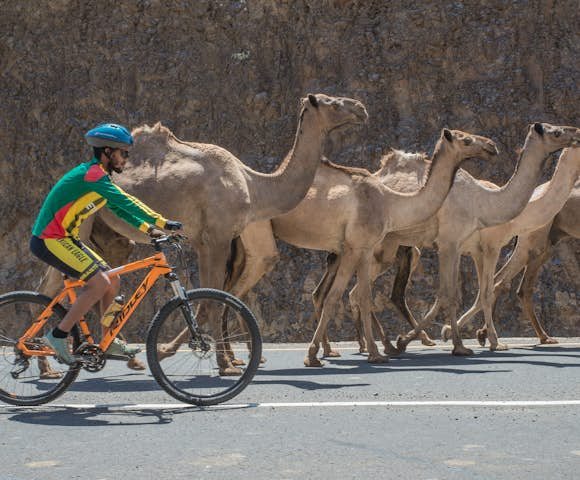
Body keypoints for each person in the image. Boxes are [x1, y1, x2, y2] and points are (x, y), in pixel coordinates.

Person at [30, 123, 182, 365]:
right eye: (123, 153)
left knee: (113, 279)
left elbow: (118, 209)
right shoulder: (92, 175)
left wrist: (151, 230)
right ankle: (58, 335)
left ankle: (108, 340)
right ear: (108, 152)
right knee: (99, 282)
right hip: (49, 239)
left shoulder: (98, 177)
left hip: (65, 239)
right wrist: (162, 221)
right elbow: (127, 201)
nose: (126, 159)